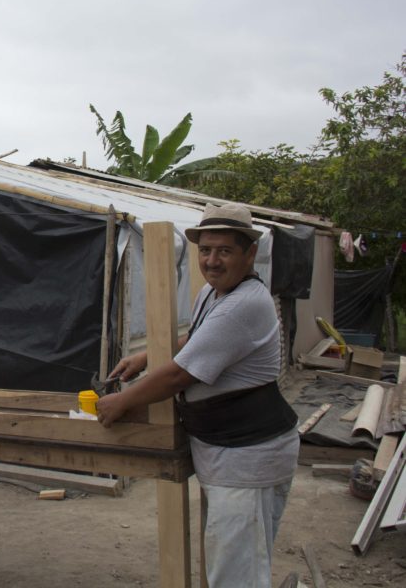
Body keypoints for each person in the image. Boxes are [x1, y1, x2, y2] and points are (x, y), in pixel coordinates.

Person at [96, 203, 299, 588]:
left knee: (235, 574)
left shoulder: (243, 305)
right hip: (229, 450)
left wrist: (123, 401)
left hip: (247, 457)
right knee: (234, 561)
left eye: (224, 251)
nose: (211, 260)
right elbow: (198, 340)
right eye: (205, 250)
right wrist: (145, 356)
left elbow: (178, 376)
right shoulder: (214, 293)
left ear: (249, 254)